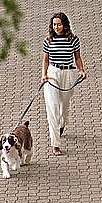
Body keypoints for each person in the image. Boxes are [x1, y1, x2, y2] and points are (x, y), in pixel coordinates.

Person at [41, 12, 86, 156]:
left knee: (64, 106)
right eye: (54, 24)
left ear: (65, 25)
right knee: (52, 109)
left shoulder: (73, 39)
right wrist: (44, 74)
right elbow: (45, 60)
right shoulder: (48, 40)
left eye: (59, 24)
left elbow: (77, 57)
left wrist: (81, 70)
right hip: (53, 73)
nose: (56, 27)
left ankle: (62, 124)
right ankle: (55, 144)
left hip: (67, 73)